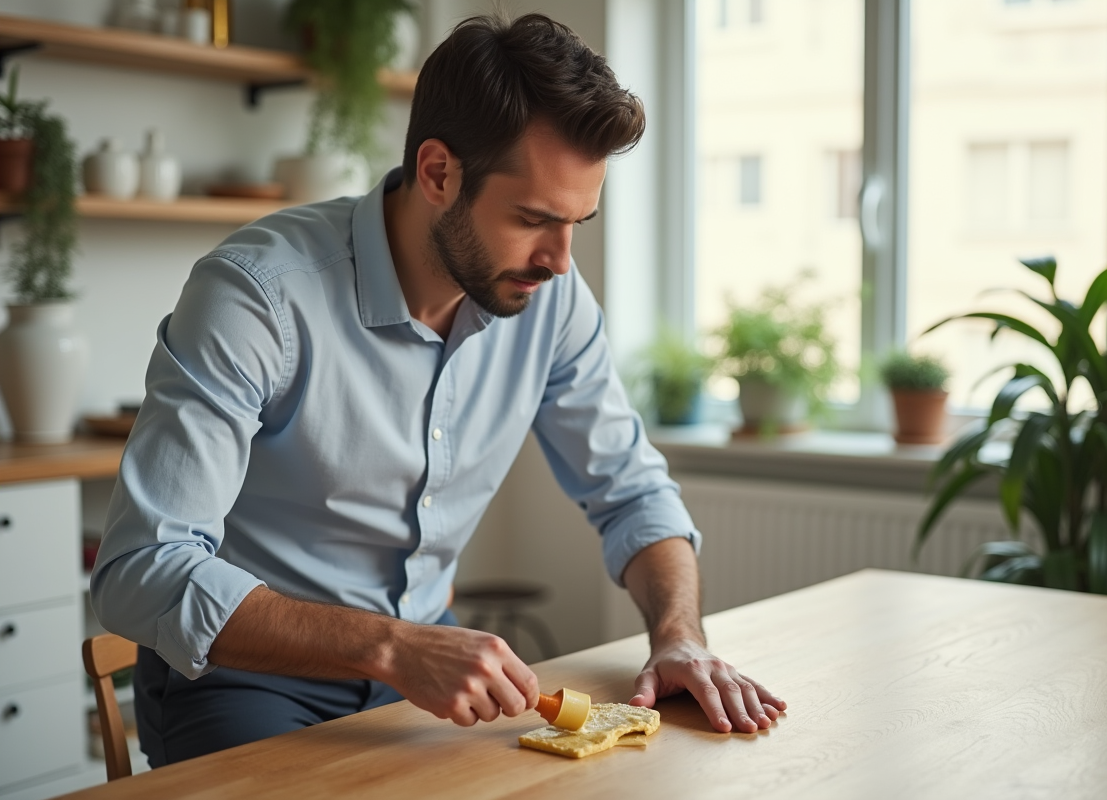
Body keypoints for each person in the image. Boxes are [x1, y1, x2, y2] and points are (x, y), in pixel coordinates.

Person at [91, 12, 784, 767]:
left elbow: (633, 494)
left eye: (578, 221)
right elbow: (141, 570)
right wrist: (391, 646)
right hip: (243, 681)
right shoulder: (258, 296)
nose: (558, 260)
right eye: (533, 220)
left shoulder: (550, 297)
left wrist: (679, 637)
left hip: (420, 686)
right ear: (438, 173)